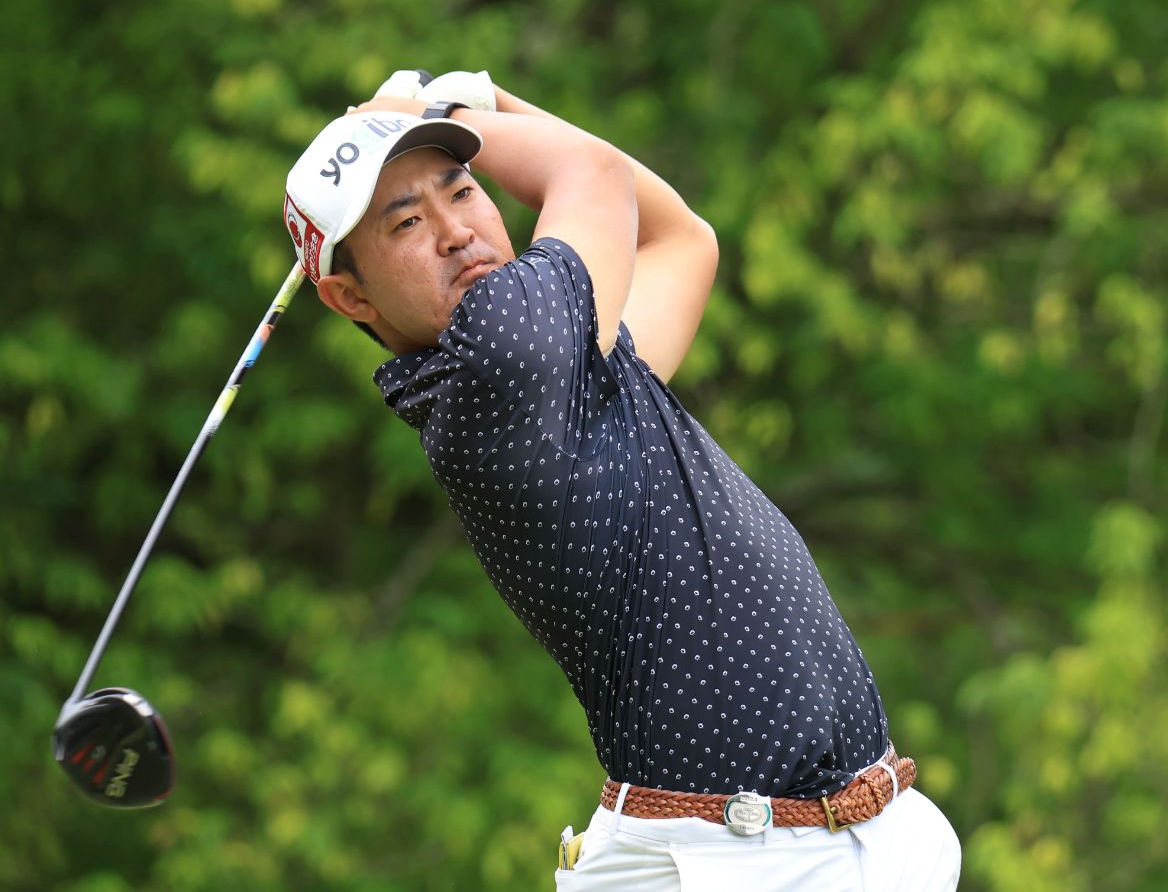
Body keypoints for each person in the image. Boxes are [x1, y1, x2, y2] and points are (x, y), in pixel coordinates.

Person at [283, 70, 961, 890]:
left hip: (848, 843)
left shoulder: (567, 372)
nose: (456, 232)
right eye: (406, 222)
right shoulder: (500, 358)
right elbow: (593, 173)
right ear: (350, 295)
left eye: (462, 190)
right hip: (733, 862)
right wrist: (450, 107)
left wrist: (493, 107)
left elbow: (679, 240)